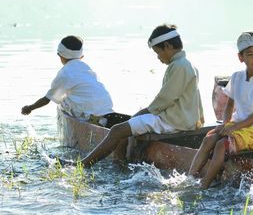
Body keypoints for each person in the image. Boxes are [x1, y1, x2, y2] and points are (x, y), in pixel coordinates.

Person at [62, 24, 204, 167]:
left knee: (117, 130)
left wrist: (143, 112)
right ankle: (120, 162)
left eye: (158, 52)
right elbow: (196, 97)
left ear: (167, 46)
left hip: (172, 121)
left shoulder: (179, 66)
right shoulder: (187, 65)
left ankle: (84, 164)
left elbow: (165, 99)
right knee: (124, 128)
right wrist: (200, 119)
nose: (158, 57)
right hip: (180, 119)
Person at [189, 31, 253, 189]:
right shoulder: (237, 77)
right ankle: (190, 178)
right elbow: (230, 105)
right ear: (241, 57)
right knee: (209, 139)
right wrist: (226, 124)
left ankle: (204, 185)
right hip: (238, 125)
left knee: (221, 145)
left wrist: (234, 127)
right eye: (250, 54)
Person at [21, 35, 125, 127]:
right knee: (66, 96)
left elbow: (47, 99)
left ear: (60, 56)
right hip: (107, 111)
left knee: (61, 100)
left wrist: (29, 108)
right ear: (81, 56)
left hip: (90, 118)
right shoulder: (86, 68)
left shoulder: (65, 74)